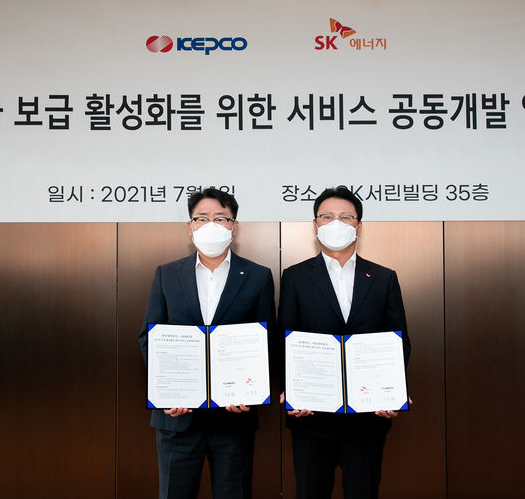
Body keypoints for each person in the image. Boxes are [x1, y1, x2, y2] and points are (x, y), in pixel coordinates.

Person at [139, 187, 276, 499]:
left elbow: (265, 342)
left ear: (234, 227)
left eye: (220, 218)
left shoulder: (257, 276)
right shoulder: (167, 274)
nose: (210, 225)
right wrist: (166, 391)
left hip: (233, 420)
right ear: (190, 227)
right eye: (202, 218)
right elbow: (149, 337)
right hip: (177, 419)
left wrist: (251, 390)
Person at [278, 186, 411, 499]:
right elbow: (285, 339)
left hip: (367, 419)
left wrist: (393, 392)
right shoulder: (295, 276)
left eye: (345, 217)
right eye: (326, 217)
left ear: (358, 226)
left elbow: (399, 341)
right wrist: (290, 391)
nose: (335, 223)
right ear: (315, 225)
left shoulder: (383, 278)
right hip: (311, 417)